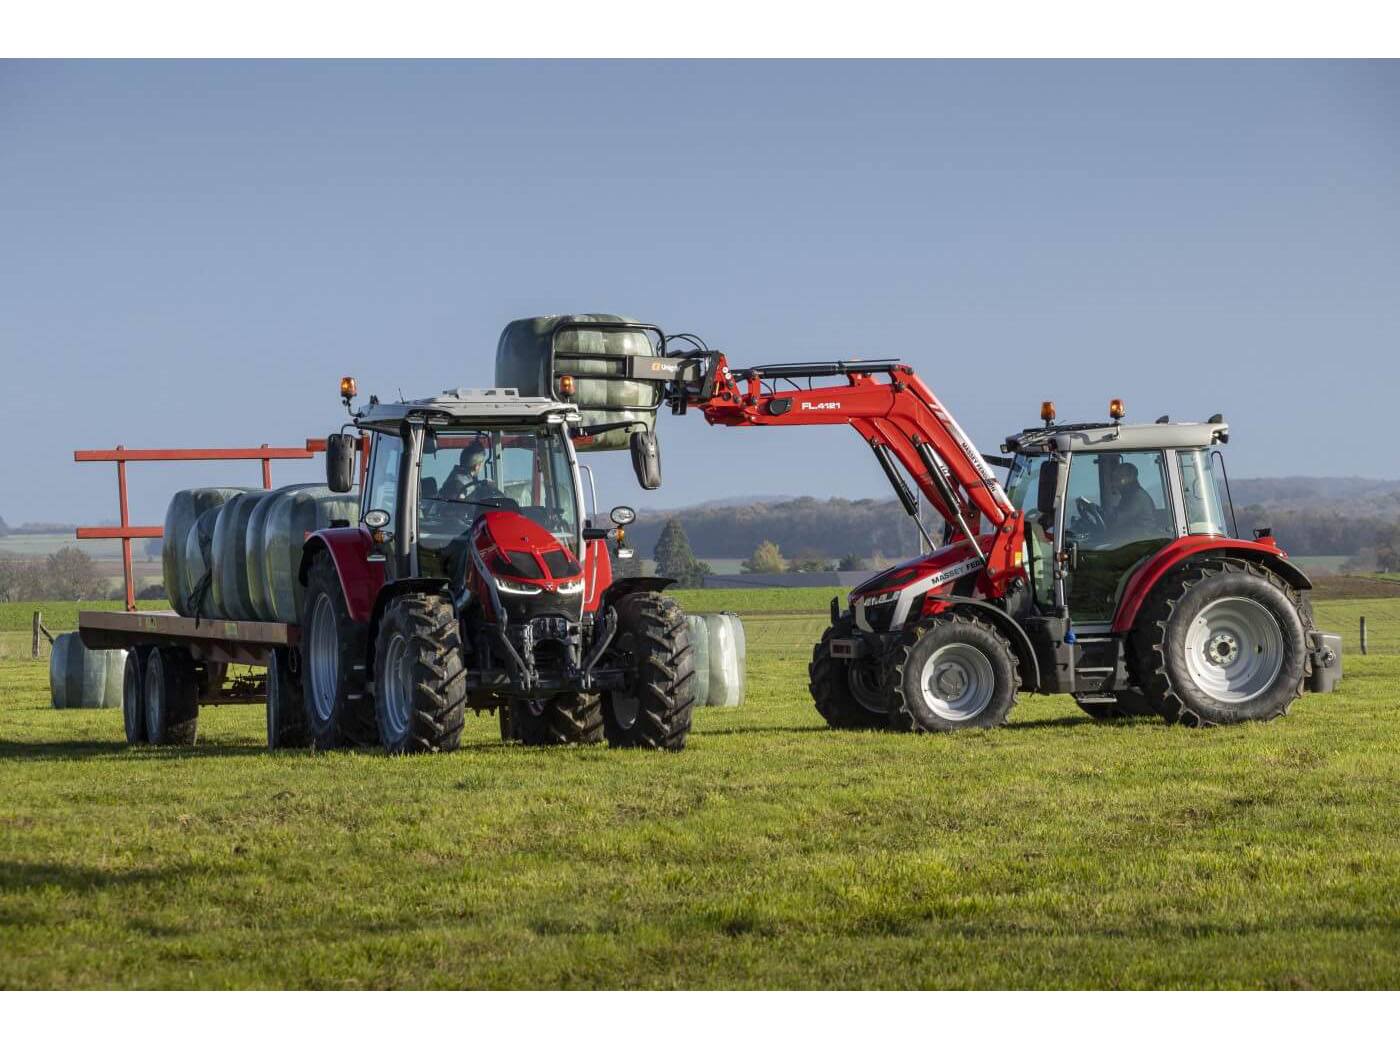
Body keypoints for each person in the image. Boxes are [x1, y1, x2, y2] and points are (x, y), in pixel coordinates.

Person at [1105, 461, 1156, 537]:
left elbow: (1118, 519)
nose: (1114, 483)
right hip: (1130, 537)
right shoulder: (1128, 495)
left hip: (1140, 540)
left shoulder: (1137, 496)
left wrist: (1108, 509)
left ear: (1130, 478)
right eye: (1114, 479)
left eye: (1118, 478)